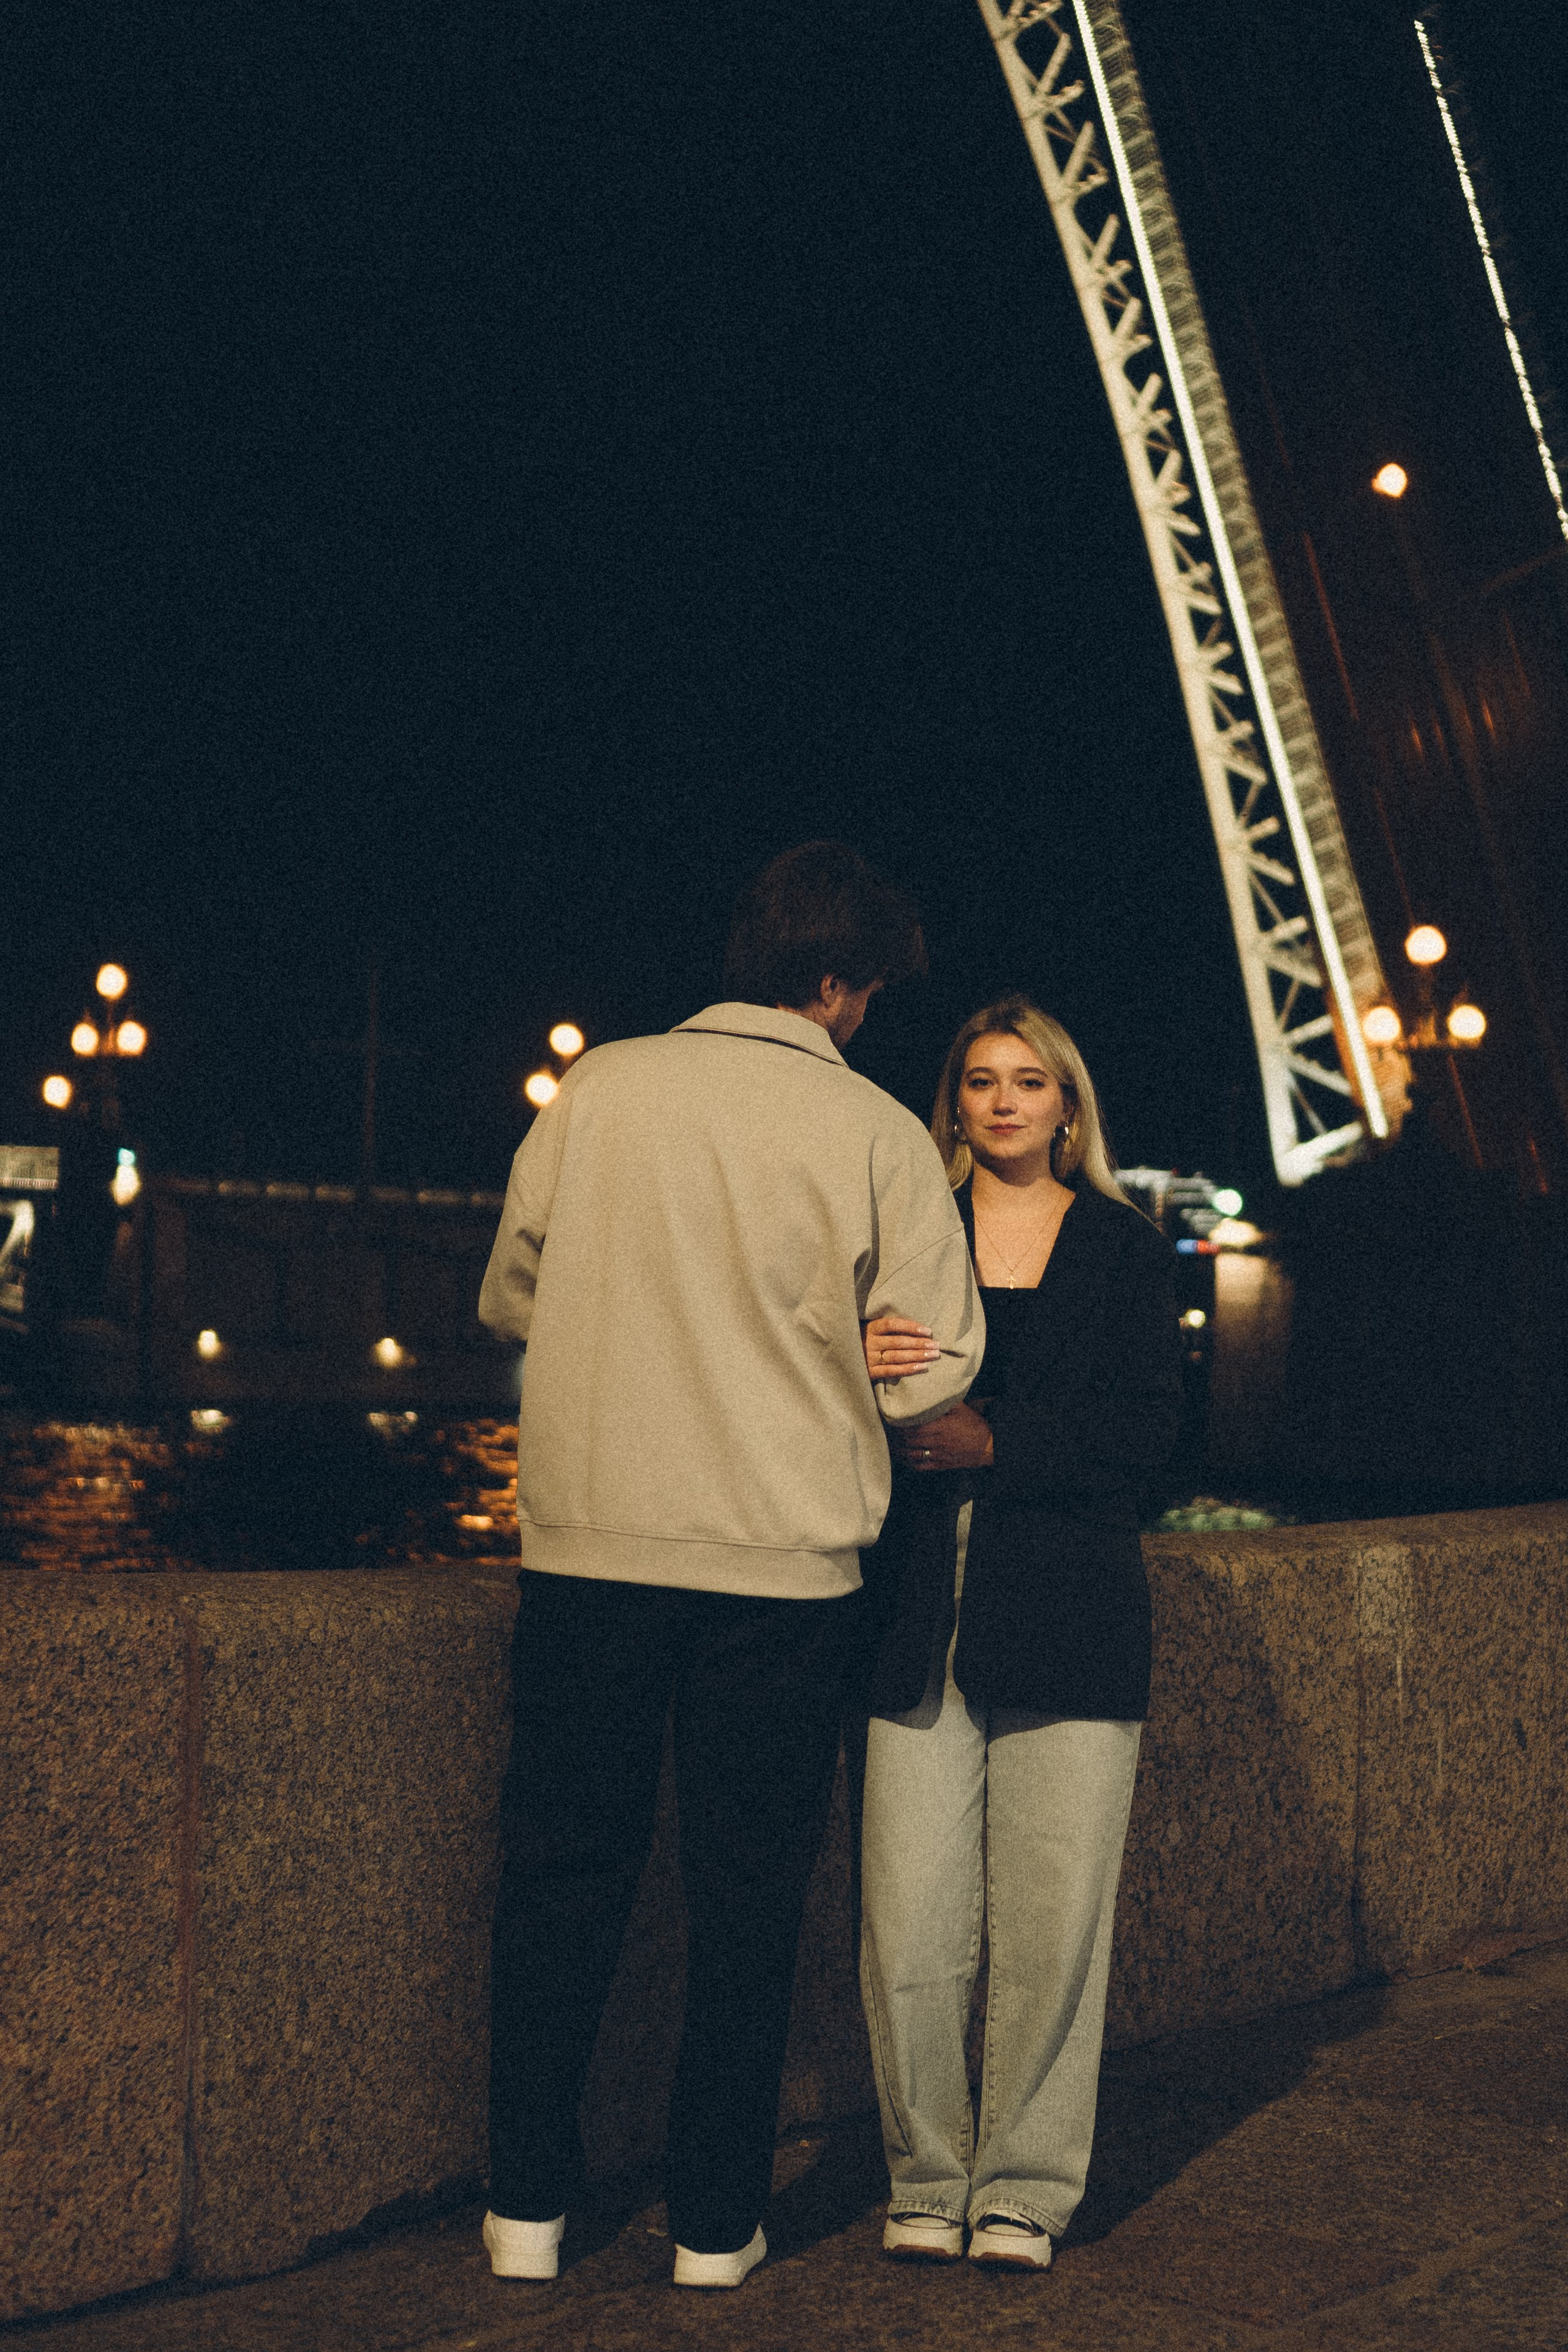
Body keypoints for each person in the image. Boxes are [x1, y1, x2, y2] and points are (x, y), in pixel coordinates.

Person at [476, 842, 985, 2291]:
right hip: (783, 1569)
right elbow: (936, 1365)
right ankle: (712, 2223)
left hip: (590, 1548)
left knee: (560, 1880)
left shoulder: (598, 1089)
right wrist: (854, 1348)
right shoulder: (874, 1129)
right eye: (867, 991)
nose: (868, 1015)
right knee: (746, 1901)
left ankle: (525, 2210)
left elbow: (511, 1293)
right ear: (833, 983)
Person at [856, 995, 1182, 2272]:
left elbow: (1153, 1437)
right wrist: (852, 1360)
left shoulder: (1123, 1249)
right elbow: (824, 1398)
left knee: (1055, 1927)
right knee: (909, 1925)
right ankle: (925, 2177)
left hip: (1071, 1610)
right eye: (981, 1079)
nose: (1002, 1101)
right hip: (912, 1615)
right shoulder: (905, 1237)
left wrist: (999, 1441)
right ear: (953, 1103)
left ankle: (1026, 2191)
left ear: (1067, 1107)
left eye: (1028, 1081)